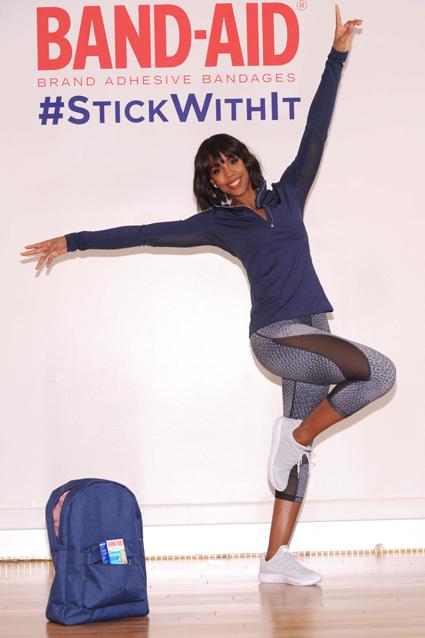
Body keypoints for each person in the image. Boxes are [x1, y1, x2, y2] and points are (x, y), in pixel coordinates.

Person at [21, 6, 395, 586]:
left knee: (296, 457)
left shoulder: (289, 195)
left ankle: (275, 557)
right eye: (216, 171)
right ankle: (296, 438)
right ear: (211, 183)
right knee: (378, 372)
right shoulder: (221, 224)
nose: (228, 173)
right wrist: (74, 240)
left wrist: (337, 55)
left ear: (245, 160)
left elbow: (316, 130)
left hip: (314, 325)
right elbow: (145, 233)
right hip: (277, 336)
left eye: (231, 161)